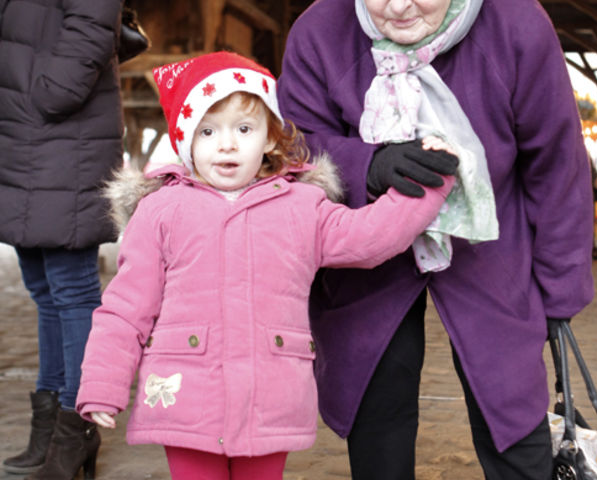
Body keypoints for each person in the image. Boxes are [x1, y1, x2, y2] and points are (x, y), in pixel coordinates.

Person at [74, 51, 456, 480]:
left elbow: (369, 238)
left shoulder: (301, 207)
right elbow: (126, 309)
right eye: (207, 131)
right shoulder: (162, 211)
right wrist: (102, 387)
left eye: (244, 128)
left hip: (270, 396)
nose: (227, 144)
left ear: (271, 138)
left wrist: (428, 185)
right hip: (187, 393)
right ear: (185, 140)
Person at [278, 0, 595, 478]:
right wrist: (368, 165)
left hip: (490, 247)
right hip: (368, 253)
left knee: (510, 403)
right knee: (378, 401)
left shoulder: (518, 24)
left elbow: (557, 163)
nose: (399, 6)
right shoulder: (319, 31)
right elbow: (296, 145)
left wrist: (560, 293)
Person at [0, 1, 123, 477]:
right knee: (44, 289)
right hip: (24, 132)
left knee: (71, 289)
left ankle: (78, 426)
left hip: (62, 130)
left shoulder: (49, 98)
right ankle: (49, 426)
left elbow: (93, 17)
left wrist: (47, 90)